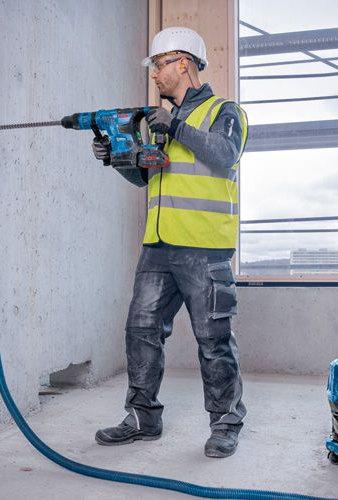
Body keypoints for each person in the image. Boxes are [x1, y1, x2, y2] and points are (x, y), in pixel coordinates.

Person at [93, 27, 249, 458]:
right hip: (158, 246)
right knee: (141, 331)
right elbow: (147, 175)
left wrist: (175, 124)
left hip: (204, 248)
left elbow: (223, 155)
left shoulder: (225, 111)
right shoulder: (163, 121)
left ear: (183, 63)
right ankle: (143, 417)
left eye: (159, 65)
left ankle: (226, 423)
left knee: (213, 339)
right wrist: (117, 158)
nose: (155, 75)